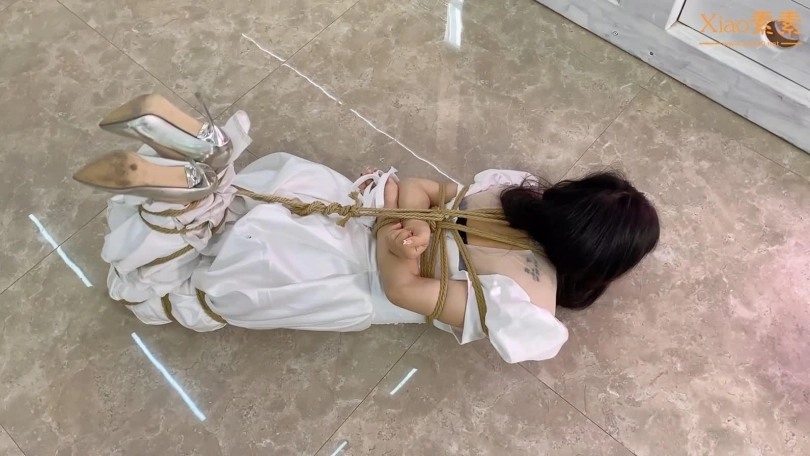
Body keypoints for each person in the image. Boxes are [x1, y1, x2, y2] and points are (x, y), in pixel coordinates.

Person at [73, 94, 660, 364]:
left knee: (255, 204)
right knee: (190, 294)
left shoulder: (514, 198)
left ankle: (204, 172)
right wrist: (404, 244)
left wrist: (404, 218)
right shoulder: (529, 301)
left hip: (348, 203)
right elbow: (403, 290)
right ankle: (173, 211)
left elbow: (420, 187)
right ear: (603, 265)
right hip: (351, 274)